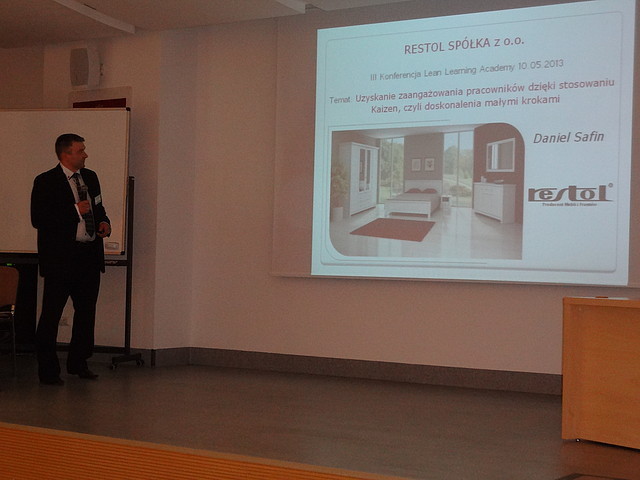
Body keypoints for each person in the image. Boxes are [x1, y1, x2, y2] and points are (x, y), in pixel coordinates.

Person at [31, 133, 111, 385]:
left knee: (86, 313)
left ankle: (79, 363)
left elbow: (98, 207)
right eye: (80, 150)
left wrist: (104, 222)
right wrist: (74, 210)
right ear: (66, 154)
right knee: (51, 314)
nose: (85, 154)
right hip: (60, 259)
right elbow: (39, 218)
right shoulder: (46, 181)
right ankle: (48, 370)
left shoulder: (91, 177)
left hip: (88, 256)